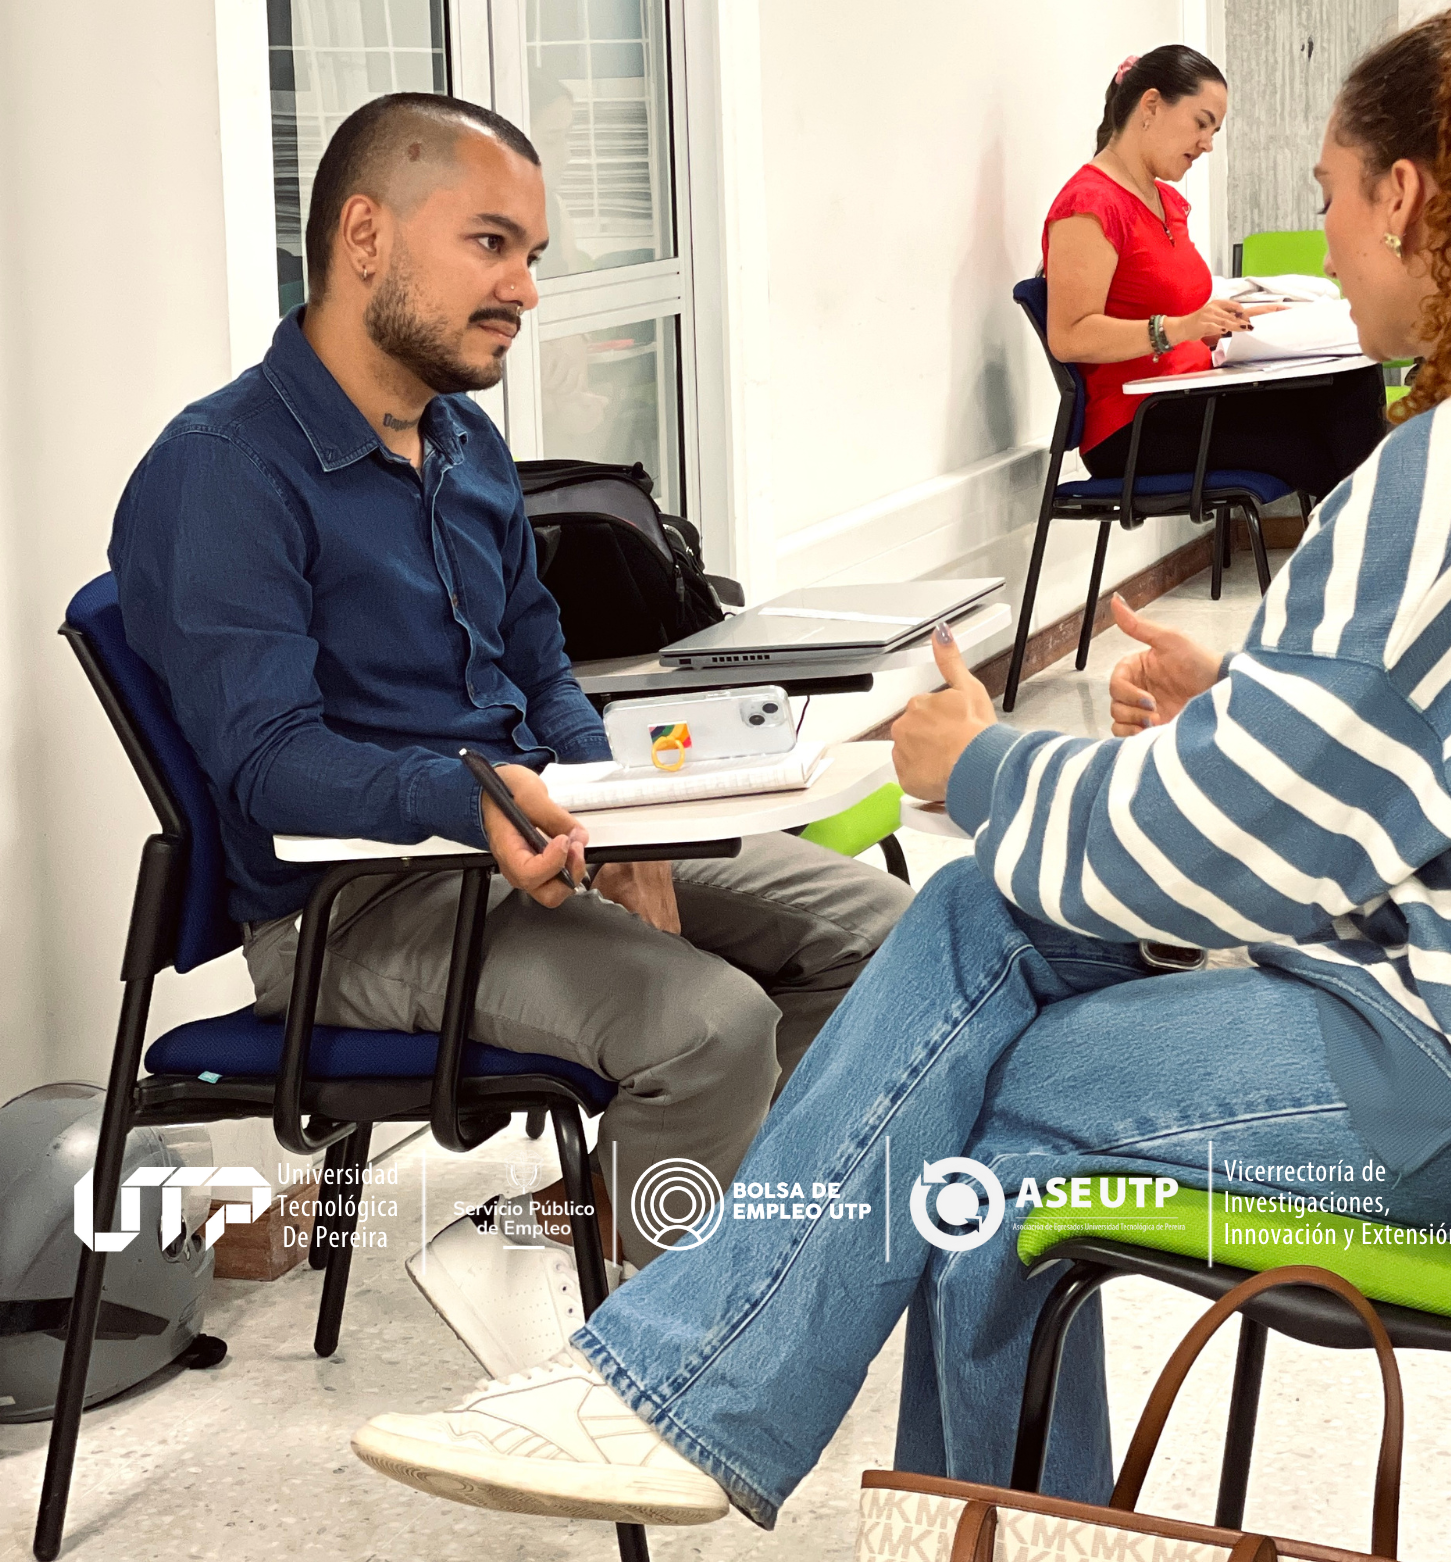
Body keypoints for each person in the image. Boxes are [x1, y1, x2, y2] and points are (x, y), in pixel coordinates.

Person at [348, 0, 1451, 1530]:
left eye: (1331, 201)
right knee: (981, 989)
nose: (1328, 247)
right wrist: (1248, 701)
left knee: (980, 1081)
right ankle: (745, 1415)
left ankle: (695, 1395)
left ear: (1409, 196)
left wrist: (982, 760)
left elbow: (1213, 866)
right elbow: (1433, 742)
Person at [110, 91, 908, 1342]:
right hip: (357, 903)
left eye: (531, 255)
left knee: (886, 937)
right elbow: (270, 761)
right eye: (493, 243)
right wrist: (474, 801)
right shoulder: (222, 470)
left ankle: (603, 1222)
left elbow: (541, 656)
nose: (526, 288)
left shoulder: (463, 441)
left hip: (532, 836)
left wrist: (618, 810)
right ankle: (658, 1363)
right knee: (712, 1024)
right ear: (364, 234)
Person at [1043, 44, 1384, 503]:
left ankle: (1376, 552)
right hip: (1135, 423)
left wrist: (1237, 319)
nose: (1207, 143)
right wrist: (1179, 329)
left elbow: (1175, 311)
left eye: (1214, 130)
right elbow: (1070, 336)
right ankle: (1369, 555)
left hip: (1192, 395)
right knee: (1310, 444)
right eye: (1201, 123)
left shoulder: (1163, 202)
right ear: (1150, 106)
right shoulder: (1088, 206)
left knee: (1350, 383)